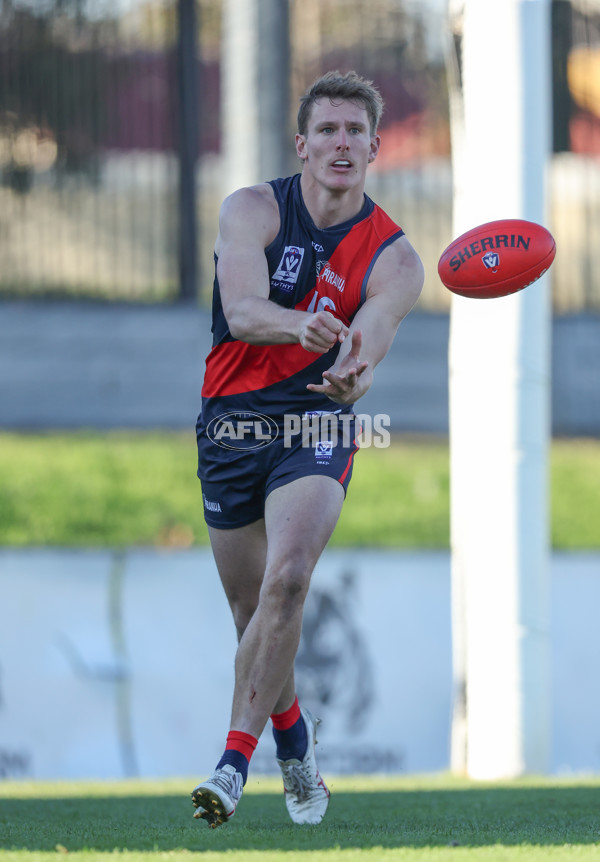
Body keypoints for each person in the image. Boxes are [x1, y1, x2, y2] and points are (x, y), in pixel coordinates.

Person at [191, 70, 424, 828]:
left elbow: (373, 337)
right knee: (251, 608)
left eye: (356, 132)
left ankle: (233, 765)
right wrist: (302, 327)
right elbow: (243, 309)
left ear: (375, 148)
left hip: (315, 421)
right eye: (327, 130)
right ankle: (294, 737)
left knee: (288, 583)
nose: (341, 144)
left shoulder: (395, 257)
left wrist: (356, 372)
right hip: (232, 422)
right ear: (302, 145)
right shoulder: (252, 208)